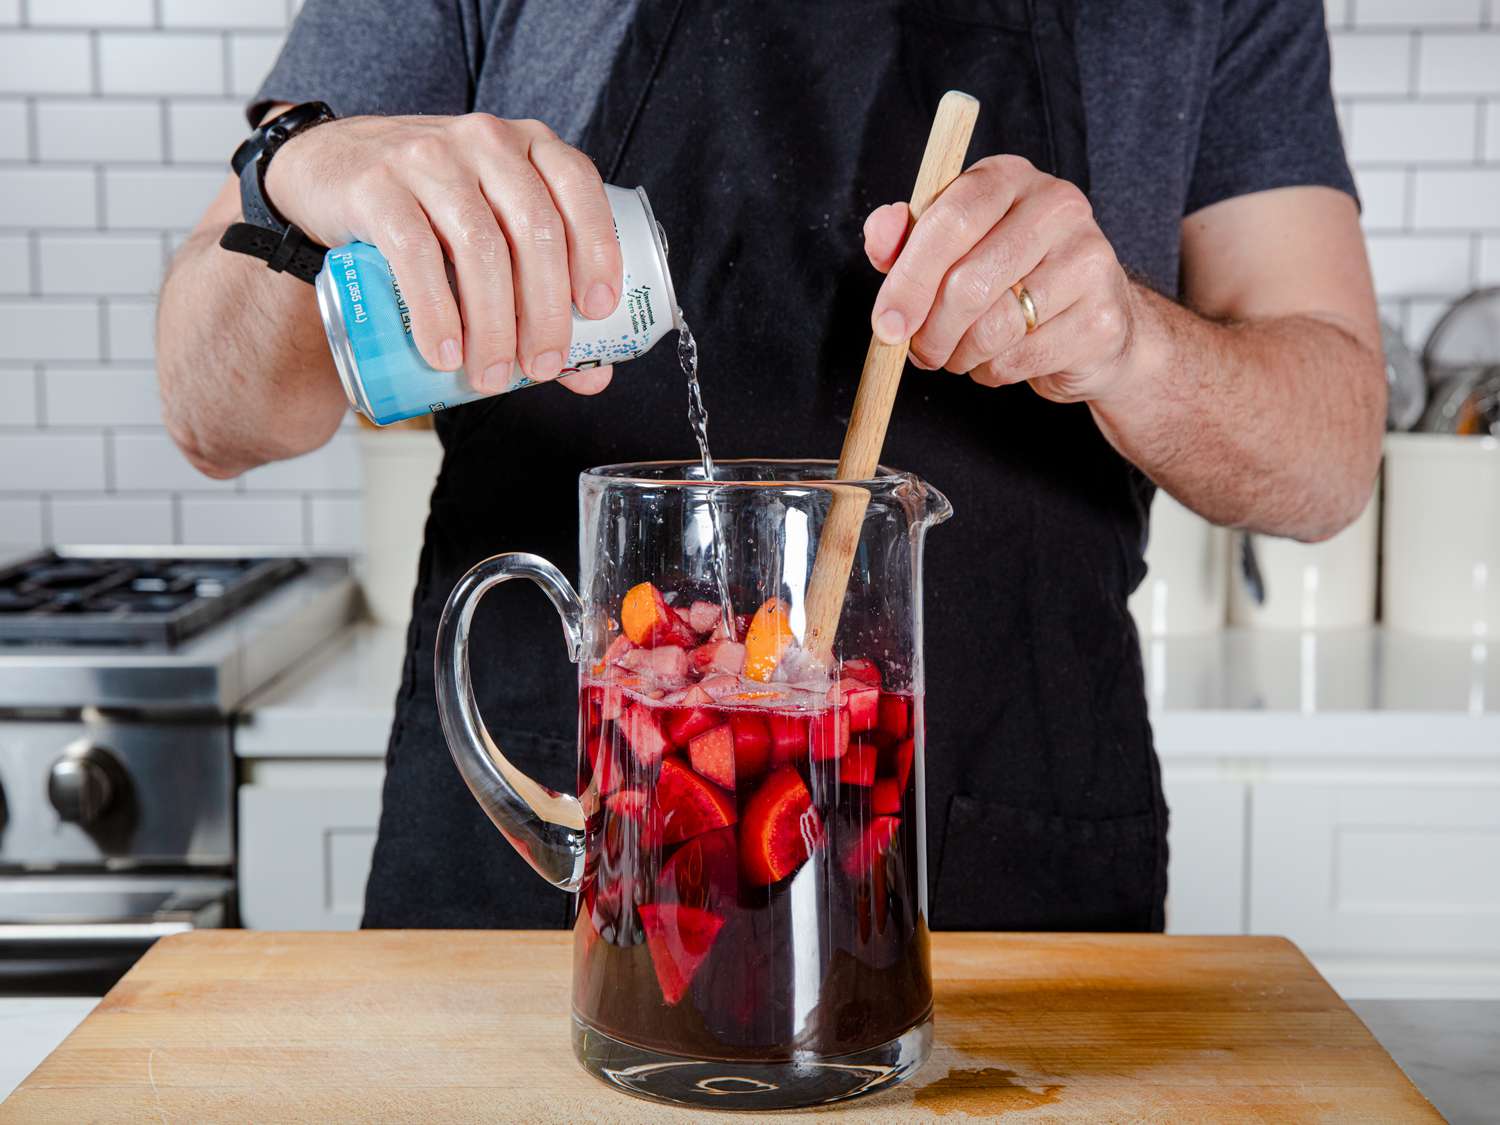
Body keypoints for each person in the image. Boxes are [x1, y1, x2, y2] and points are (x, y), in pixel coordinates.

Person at [157, 0, 1384, 932]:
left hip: (1003, 867)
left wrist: (1127, 338)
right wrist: (301, 175)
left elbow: (1329, 461)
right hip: (541, 856)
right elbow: (212, 411)